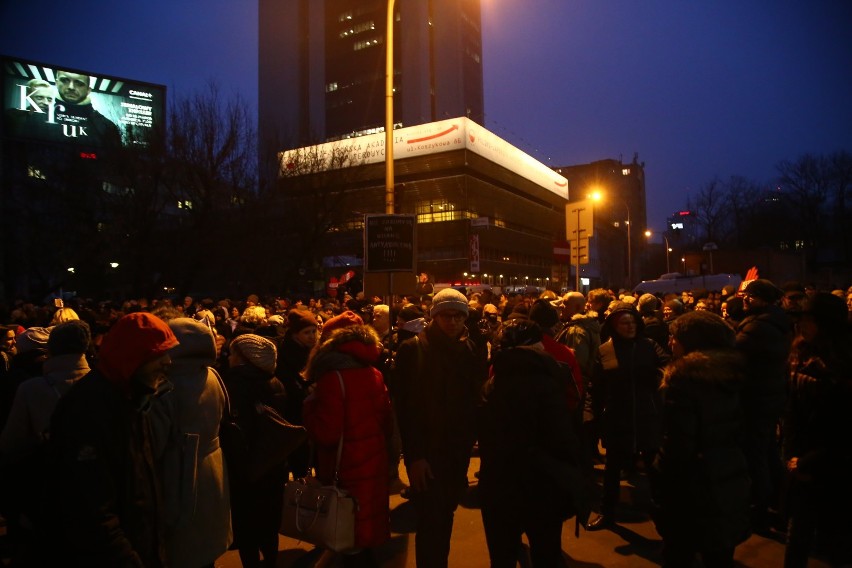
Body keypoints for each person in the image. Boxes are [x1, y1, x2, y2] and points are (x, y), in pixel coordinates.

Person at [46, 312, 178, 567]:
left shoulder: (134, 398)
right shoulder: (89, 409)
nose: (168, 362)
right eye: (159, 354)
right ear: (132, 357)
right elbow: (89, 509)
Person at [478, 318, 587, 568]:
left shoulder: (492, 384)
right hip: (543, 483)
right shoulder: (550, 381)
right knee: (546, 553)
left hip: (499, 484)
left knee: (502, 556)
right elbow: (563, 436)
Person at [395, 287, 487, 567]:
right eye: (446, 315)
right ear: (434, 316)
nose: (453, 321)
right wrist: (414, 457)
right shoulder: (413, 349)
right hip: (428, 453)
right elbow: (406, 410)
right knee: (431, 522)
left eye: (459, 316)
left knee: (445, 516)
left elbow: (475, 398)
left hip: (456, 453)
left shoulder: (470, 348)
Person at [650, 311, 750, 567]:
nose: (671, 343)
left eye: (675, 338)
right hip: (729, 474)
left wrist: (659, 479)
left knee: (679, 553)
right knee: (719, 553)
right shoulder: (736, 371)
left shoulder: (683, 380)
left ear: (692, 341)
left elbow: (677, 446)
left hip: (692, 487)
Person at [303, 314, 392, 567]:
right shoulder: (374, 373)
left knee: (346, 533)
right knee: (363, 533)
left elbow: (327, 433)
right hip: (372, 461)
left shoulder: (332, 378)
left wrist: (309, 408)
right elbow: (386, 421)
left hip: (345, 468)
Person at [0, 320, 91, 565]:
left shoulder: (32, 389)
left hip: (43, 491)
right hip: (94, 491)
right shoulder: (102, 384)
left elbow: (11, 444)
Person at [152, 318, 232, 568]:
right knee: (206, 544)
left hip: (181, 474)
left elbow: (155, 441)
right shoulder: (211, 375)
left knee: (184, 549)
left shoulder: (165, 387)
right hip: (213, 467)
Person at [782, 293, 852, 567]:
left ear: (827, 324)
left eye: (809, 320)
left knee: (836, 537)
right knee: (797, 532)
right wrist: (791, 457)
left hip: (834, 464)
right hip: (799, 462)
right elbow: (792, 412)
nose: (801, 326)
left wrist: (810, 461)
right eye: (800, 320)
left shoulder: (842, 364)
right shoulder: (800, 354)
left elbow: (842, 425)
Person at [587, 303, 670, 530]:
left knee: (655, 469)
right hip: (617, 417)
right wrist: (595, 415)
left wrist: (657, 379)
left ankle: (664, 517)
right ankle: (607, 513)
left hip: (647, 415)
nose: (630, 326)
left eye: (633, 321)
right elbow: (596, 386)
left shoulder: (649, 345)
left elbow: (668, 367)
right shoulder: (605, 350)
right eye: (624, 322)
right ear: (614, 326)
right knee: (612, 469)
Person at [223, 333, 287, 568]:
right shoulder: (275, 382)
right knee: (269, 524)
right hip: (272, 464)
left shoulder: (233, 385)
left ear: (242, 358)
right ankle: (271, 561)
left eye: (232, 353)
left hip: (245, 467)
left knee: (247, 525)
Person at [735, 279, 793, 533]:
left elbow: (736, 353)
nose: (745, 300)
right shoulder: (775, 320)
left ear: (763, 299)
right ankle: (779, 502)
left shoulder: (759, 326)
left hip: (757, 397)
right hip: (769, 395)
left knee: (756, 452)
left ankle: (760, 508)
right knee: (767, 449)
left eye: (750, 296)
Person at [53, 70, 122, 147]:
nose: (71, 87)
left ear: (88, 90)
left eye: (79, 83)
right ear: (56, 83)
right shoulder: (39, 118)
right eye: (65, 80)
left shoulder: (107, 126)